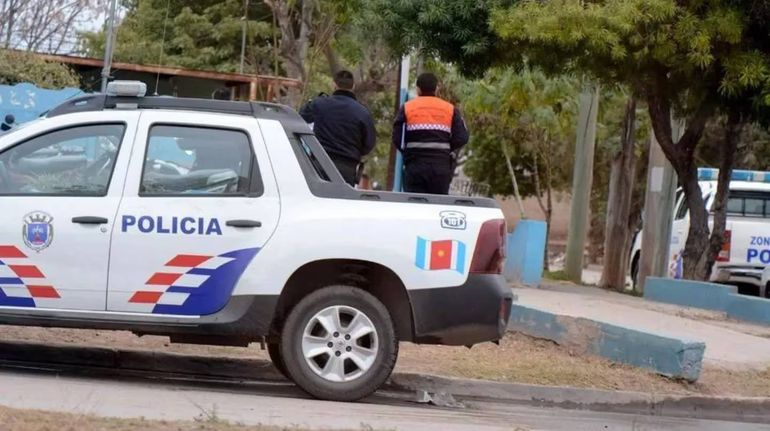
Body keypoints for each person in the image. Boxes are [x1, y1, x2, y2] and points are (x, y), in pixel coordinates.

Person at [392, 73, 469, 195]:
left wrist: (407, 153)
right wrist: (446, 150)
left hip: (415, 166)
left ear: (418, 89)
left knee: (414, 203)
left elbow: (397, 137)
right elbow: (462, 137)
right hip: (440, 168)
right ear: (436, 88)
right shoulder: (450, 109)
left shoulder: (407, 108)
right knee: (437, 204)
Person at [300, 70, 377, 186]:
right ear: (353, 86)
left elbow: (301, 117)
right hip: (347, 169)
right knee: (342, 197)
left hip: (319, 164)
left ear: (334, 84)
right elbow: (369, 143)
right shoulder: (362, 113)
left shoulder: (319, 104)